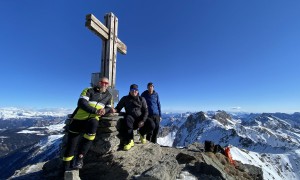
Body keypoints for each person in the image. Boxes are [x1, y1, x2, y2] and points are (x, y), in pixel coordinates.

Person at [62, 77, 112, 170]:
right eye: (102, 82)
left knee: (93, 125)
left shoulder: (109, 95)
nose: (104, 84)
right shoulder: (89, 90)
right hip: (78, 118)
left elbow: (109, 107)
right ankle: (65, 167)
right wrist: (95, 111)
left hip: (92, 120)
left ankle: (80, 158)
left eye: (106, 83)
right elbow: (81, 103)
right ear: (98, 82)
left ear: (108, 85)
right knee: (71, 145)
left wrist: (105, 110)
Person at [112, 84, 155, 151]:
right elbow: (118, 108)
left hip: (140, 120)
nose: (134, 91)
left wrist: (143, 120)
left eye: (136, 90)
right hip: (131, 121)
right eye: (132, 90)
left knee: (152, 124)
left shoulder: (142, 99)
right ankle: (130, 140)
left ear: (137, 91)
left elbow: (146, 111)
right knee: (128, 118)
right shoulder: (125, 99)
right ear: (130, 91)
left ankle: (142, 133)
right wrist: (114, 110)